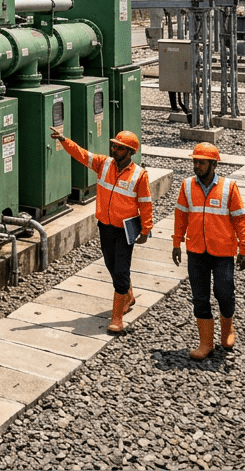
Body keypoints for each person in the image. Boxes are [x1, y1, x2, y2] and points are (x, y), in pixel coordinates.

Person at [51, 127, 153, 334]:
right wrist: (63, 140)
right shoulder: (104, 164)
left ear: (130, 152)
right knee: (111, 264)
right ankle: (128, 295)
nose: (114, 149)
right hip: (105, 226)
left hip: (125, 230)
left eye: (120, 148)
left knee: (121, 269)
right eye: (114, 146)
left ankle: (117, 318)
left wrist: (146, 229)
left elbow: (145, 203)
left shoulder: (139, 175)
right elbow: (82, 155)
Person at [172, 142, 245, 360]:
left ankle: (227, 328)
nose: (197, 166)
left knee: (224, 292)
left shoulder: (229, 187)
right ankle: (206, 343)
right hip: (196, 250)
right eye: (195, 161)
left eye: (202, 162)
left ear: (214, 164)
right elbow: (181, 216)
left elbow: (240, 219)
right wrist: (177, 243)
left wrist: (244, 248)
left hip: (223, 252)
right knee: (200, 297)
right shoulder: (187, 186)